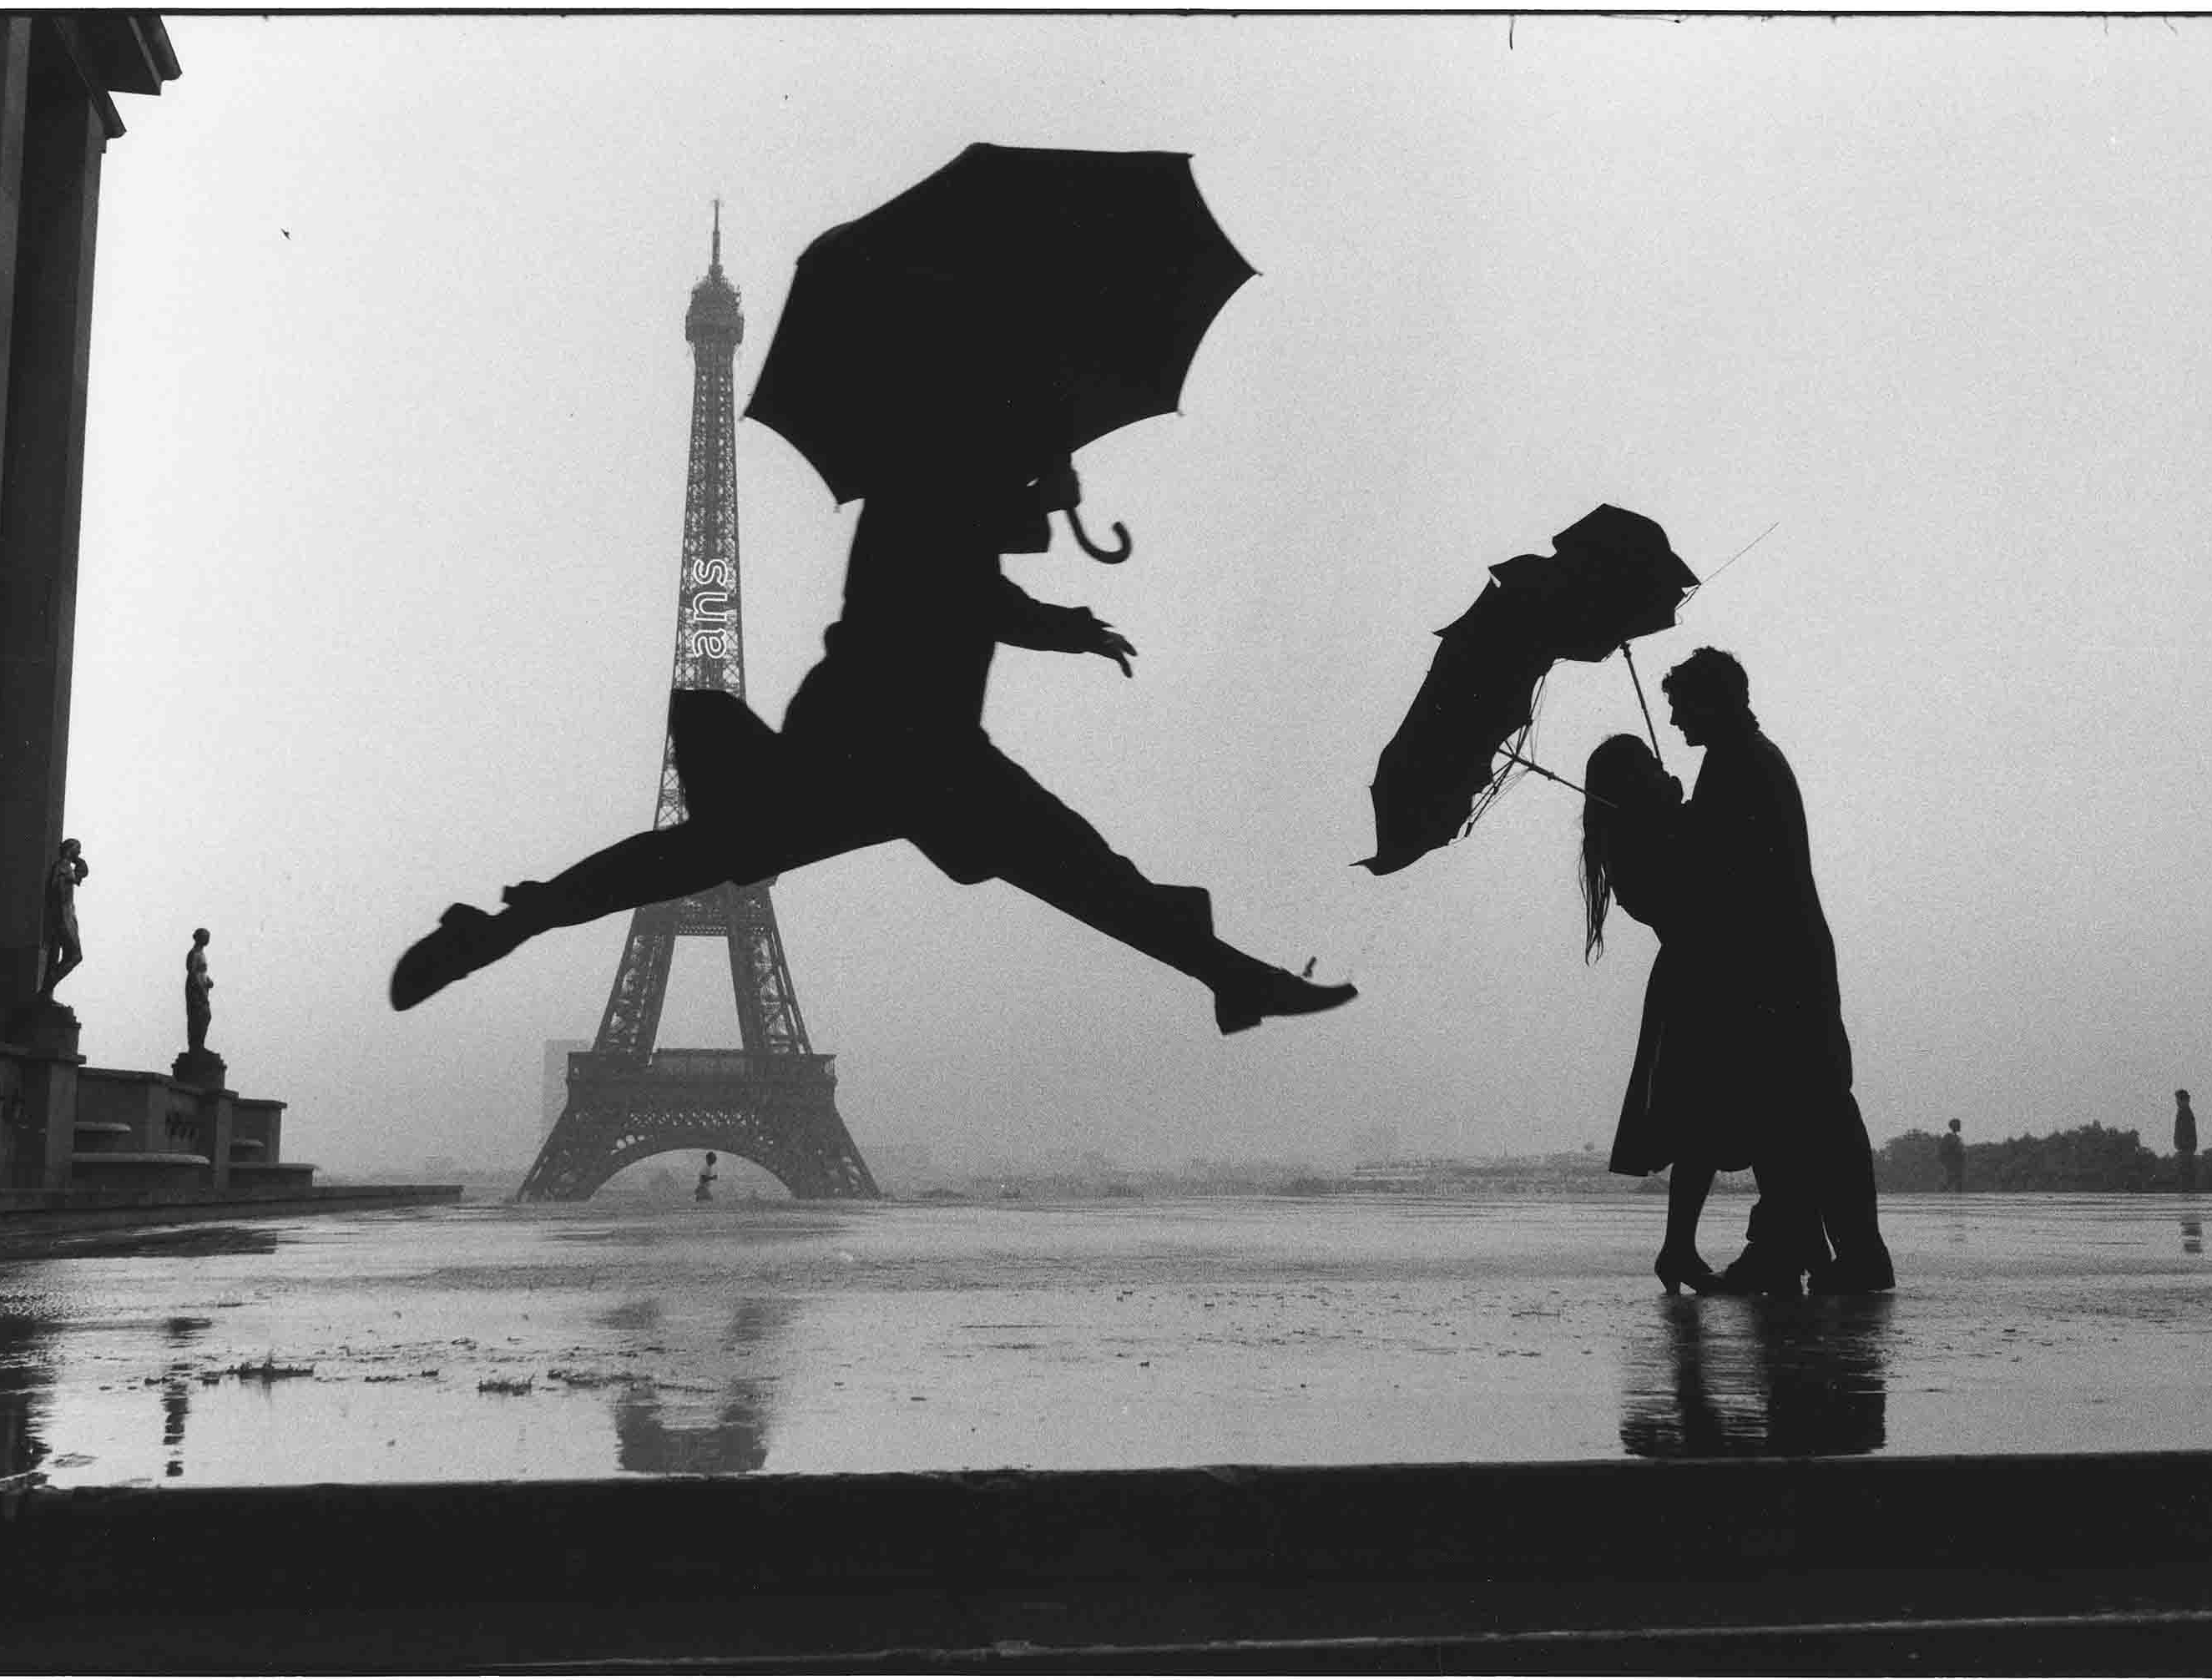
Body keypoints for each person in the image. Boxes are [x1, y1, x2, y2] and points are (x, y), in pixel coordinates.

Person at [391, 458, 1358, 1037]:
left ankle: (514, 921)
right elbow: (956, 575)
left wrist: (1042, 538)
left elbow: (965, 568)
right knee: (1081, 869)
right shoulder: (933, 485)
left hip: (867, 740)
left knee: (705, 853)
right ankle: (1229, 973)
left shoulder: (928, 478)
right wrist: (1051, 545)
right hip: (913, 747)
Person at [1662, 647, 1893, 1297]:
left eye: (1682, 705)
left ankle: (1812, 1250)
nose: (1676, 719)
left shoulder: (1739, 765)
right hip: (1790, 963)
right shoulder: (1747, 759)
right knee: (1805, 1109)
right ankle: (1821, 1249)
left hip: (1777, 970)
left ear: (1714, 700)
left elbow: (1724, 874)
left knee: (1797, 1109)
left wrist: (1677, 830)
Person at [1578, 733, 1728, 1294]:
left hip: (1696, 978)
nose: (1659, 769)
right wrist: (1679, 817)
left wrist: (1676, 814)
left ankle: (1679, 1248)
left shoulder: (1635, 835)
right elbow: (1689, 889)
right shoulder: (1631, 844)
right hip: (1695, 982)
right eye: (1647, 765)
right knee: (1703, 1120)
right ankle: (1678, 1248)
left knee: (1706, 1121)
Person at [39, 839, 88, 996]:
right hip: (63, 917)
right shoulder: (63, 867)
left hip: (66, 916)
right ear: (69, 849)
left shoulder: (66, 868)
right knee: (75, 956)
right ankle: (46, 988)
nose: (79, 853)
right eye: (77, 849)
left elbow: (79, 876)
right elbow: (58, 888)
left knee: (69, 956)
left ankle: (47, 990)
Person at [184, 928, 213, 1052]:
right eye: (205, 937)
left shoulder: (201, 953)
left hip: (202, 988)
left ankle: (199, 1045)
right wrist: (201, 990)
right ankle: (196, 1046)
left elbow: (202, 972)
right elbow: (193, 973)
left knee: (204, 1016)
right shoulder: (194, 953)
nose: (207, 939)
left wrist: (208, 980)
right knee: (199, 1016)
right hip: (195, 989)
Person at [2173, 1089, 2198, 1193]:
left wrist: (2181, 1145)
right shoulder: (2185, 1112)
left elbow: (2185, 1132)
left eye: (2178, 1099)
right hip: (2186, 1149)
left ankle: (2187, 1198)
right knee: (2185, 1176)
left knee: (2185, 1177)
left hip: (2185, 1149)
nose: (2176, 1102)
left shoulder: (2185, 1112)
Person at [1938, 1118, 1966, 1193]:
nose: (1960, 1126)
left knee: (1958, 1182)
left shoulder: (1957, 1138)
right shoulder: (1949, 1137)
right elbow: (1943, 1150)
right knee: (1948, 1181)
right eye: (1958, 1125)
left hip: (1958, 1164)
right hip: (1951, 1164)